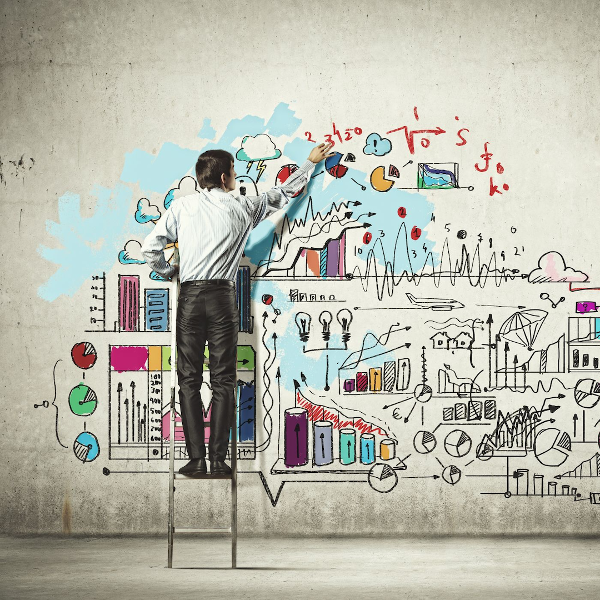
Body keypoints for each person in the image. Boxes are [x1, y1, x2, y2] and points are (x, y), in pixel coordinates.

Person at [141, 142, 334, 475]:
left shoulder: (182, 207)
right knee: (224, 380)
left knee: (188, 380)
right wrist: (309, 163)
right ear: (223, 176)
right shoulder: (243, 206)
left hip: (189, 296)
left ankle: (196, 460)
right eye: (232, 171)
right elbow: (284, 194)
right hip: (222, 299)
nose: (234, 176)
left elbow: (150, 249)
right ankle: (218, 460)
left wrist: (170, 272)